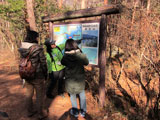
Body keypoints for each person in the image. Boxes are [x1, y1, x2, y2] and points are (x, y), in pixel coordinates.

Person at [18, 28, 48, 120]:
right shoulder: (38, 48)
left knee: (28, 94)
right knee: (40, 95)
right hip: (37, 75)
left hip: (26, 74)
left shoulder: (22, 48)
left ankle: (30, 112)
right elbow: (43, 62)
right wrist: (45, 73)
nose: (37, 39)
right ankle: (41, 114)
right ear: (34, 38)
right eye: (37, 37)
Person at [61, 39, 89, 118]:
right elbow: (86, 62)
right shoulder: (80, 55)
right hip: (80, 80)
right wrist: (80, 52)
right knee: (82, 95)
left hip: (70, 81)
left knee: (72, 96)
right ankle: (83, 112)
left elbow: (62, 62)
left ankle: (75, 112)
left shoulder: (65, 57)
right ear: (75, 45)